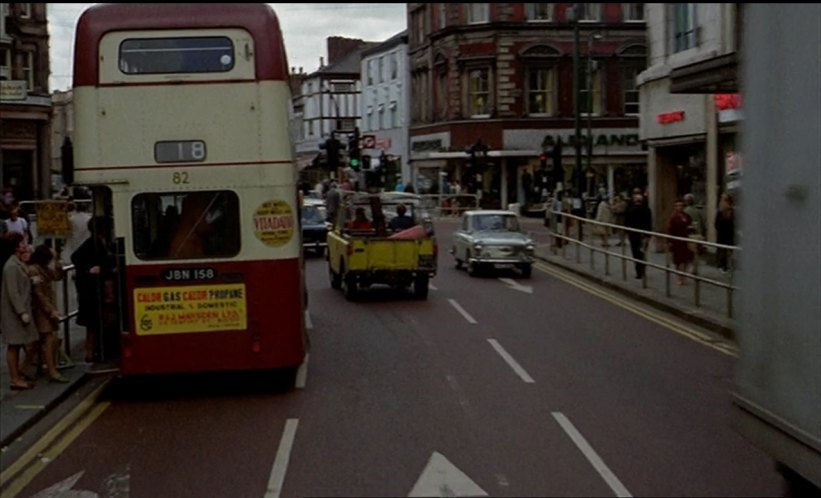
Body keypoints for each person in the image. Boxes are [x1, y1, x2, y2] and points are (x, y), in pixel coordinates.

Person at [71, 216, 117, 363]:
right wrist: (90, 271)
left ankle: (92, 350)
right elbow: (76, 258)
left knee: (94, 324)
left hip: (93, 290)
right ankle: (90, 352)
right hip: (92, 291)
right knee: (93, 323)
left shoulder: (100, 243)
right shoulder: (93, 244)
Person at [1, 232, 38, 390]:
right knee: (14, 345)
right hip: (14, 313)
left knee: (30, 341)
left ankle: (20, 371)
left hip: (22, 311)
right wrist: (21, 312)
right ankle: (15, 378)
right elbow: (13, 292)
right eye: (23, 241)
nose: (26, 243)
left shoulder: (18, 262)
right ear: (16, 246)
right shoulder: (10, 266)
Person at [28, 244, 69, 383]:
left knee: (39, 342)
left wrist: (57, 260)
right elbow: (38, 293)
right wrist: (51, 310)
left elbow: (57, 276)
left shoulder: (44, 268)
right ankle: (51, 370)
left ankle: (24, 369)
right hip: (40, 309)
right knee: (48, 338)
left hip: (46, 307)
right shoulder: (34, 270)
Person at [624, 188, 653, 279]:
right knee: (643, 252)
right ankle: (643, 269)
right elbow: (649, 223)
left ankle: (639, 271)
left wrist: (627, 232)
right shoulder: (647, 210)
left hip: (634, 235)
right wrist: (648, 235)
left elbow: (626, 222)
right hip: (644, 235)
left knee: (636, 253)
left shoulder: (630, 210)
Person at [667, 198, 694, 285]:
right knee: (678, 260)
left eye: (681, 205)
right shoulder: (673, 217)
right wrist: (670, 241)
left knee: (686, 259)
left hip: (685, 240)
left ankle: (684, 276)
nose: (679, 207)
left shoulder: (687, 216)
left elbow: (691, 225)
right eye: (677, 206)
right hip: (677, 241)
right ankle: (679, 277)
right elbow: (670, 230)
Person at [715, 193, 736, 273]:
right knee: (722, 252)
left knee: (729, 252)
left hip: (729, 236)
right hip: (722, 236)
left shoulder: (731, 211)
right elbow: (716, 224)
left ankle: (729, 266)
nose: (722, 202)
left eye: (724, 200)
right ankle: (723, 266)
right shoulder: (720, 211)